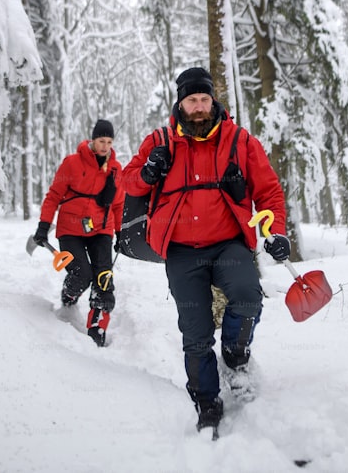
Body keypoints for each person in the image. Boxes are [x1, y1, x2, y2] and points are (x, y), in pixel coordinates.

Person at [122, 67, 290, 432]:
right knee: (195, 332)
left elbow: (270, 192)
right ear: (180, 103)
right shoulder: (160, 141)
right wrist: (149, 173)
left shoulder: (240, 141)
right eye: (191, 100)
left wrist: (275, 232)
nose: (199, 107)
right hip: (182, 251)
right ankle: (207, 400)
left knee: (247, 296)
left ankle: (234, 354)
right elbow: (127, 182)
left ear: (213, 100)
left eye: (204, 99)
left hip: (228, 242)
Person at [34, 119, 125, 347]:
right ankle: (69, 297)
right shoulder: (72, 163)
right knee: (81, 274)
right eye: (101, 141)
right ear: (93, 140)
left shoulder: (115, 169)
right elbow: (54, 195)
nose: (105, 146)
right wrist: (44, 225)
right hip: (71, 229)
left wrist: (121, 232)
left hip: (101, 229)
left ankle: (97, 330)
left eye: (109, 142)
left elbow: (119, 205)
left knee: (104, 278)